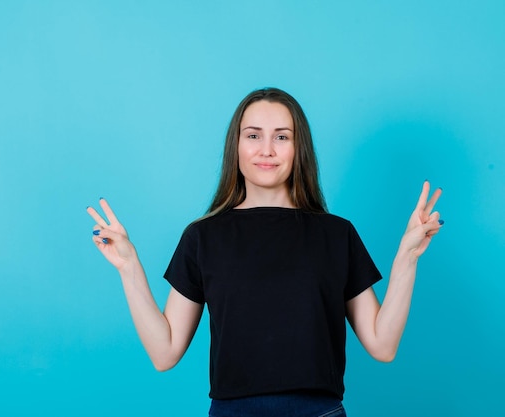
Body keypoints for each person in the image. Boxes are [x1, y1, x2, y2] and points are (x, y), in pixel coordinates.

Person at [87, 88, 443, 417]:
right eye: (254, 135)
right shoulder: (203, 237)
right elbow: (164, 353)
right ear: (236, 146)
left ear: (298, 148)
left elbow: (383, 346)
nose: (267, 150)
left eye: (282, 137)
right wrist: (129, 266)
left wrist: (406, 258)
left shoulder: (337, 234)